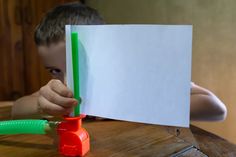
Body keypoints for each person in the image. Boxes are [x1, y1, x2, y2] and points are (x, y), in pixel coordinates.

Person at [11, 2, 227, 121]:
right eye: (55, 70)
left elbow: (216, 109)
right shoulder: (60, 95)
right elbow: (18, 108)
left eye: (80, 67)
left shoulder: (134, 80)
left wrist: (135, 104)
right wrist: (43, 105)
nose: (68, 81)